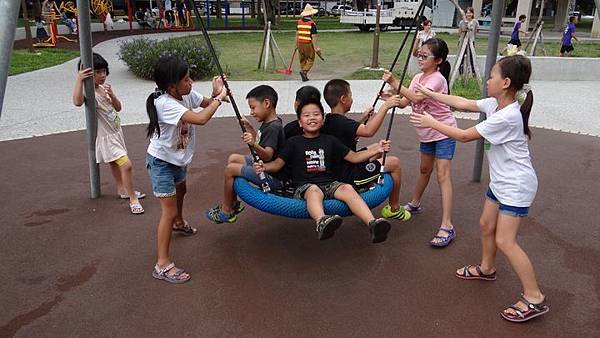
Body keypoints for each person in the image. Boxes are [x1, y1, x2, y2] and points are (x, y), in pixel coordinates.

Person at [410, 54, 549, 323]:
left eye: (492, 76)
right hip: (502, 181)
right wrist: (429, 92)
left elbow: (463, 136)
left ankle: (534, 297)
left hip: (515, 185)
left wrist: (431, 122)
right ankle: (487, 268)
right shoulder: (495, 104)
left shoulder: (507, 116)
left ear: (506, 82)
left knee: (505, 241)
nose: (487, 80)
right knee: (486, 224)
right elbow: (461, 103)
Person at [255, 98, 393, 243]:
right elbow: (277, 164)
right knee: (314, 190)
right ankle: (322, 221)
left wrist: (377, 149)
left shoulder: (330, 140)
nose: (312, 118)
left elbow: (354, 157)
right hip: (305, 186)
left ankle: (372, 223)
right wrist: (264, 167)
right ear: (300, 122)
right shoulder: (293, 142)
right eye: (307, 115)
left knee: (346, 188)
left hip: (330, 183)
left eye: (316, 114)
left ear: (322, 120)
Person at [146, 55, 228, 284]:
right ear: (172, 85)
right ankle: (162, 264)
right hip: (161, 161)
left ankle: (179, 222)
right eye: (186, 79)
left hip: (178, 159)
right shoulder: (165, 104)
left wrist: (216, 92)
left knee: (181, 191)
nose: (190, 82)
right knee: (167, 210)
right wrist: (219, 99)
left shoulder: (184, 94)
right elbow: (201, 118)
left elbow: (206, 104)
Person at [382, 37, 457, 247]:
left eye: (425, 56)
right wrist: (390, 96)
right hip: (427, 134)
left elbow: (417, 99)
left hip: (443, 131)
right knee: (425, 170)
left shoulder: (437, 79)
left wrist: (395, 82)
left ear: (439, 60)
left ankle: (447, 225)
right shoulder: (417, 78)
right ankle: (414, 203)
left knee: (443, 175)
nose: (420, 59)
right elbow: (406, 102)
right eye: (419, 55)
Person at [321, 79, 411, 222]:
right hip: (347, 174)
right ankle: (394, 208)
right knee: (394, 163)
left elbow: (351, 136)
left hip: (340, 166)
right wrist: (385, 106)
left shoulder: (331, 120)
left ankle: (367, 183)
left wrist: (363, 119)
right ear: (343, 99)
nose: (352, 99)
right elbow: (368, 131)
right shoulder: (342, 122)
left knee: (377, 149)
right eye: (350, 95)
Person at [72, 53, 145, 215]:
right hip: (106, 137)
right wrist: (79, 79)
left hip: (116, 131)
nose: (102, 75)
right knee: (126, 165)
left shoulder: (104, 88)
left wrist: (112, 95)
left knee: (114, 163)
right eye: (98, 72)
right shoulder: (89, 92)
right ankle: (133, 199)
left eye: (104, 71)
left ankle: (122, 190)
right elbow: (77, 102)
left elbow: (118, 108)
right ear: (88, 73)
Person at [206, 85, 286, 223]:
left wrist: (253, 144)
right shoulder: (271, 122)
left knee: (230, 169)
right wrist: (250, 128)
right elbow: (263, 142)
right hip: (263, 165)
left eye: (253, 107)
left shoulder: (273, 127)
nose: (251, 112)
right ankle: (234, 203)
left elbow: (267, 155)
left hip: (273, 176)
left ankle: (226, 211)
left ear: (267, 103)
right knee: (233, 158)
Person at [296, 4, 320, 82]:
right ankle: (304, 71)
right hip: (308, 43)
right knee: (311, 59)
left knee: (302, 59)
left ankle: (304, 76)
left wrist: (296, 44)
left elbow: (297, 34)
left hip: (300, 43)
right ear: (311, 14)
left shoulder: (299, 22)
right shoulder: (312, 23)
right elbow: (314, 36)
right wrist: (316, 47)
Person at [457, 7, 479, 75]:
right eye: (467, 13)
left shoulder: (475, 22)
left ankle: (473, 73)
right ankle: (460, 72)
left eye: (470, 12)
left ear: (472, 14)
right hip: (463, 41)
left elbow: (476, 31)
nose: (469, 14)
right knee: (461, 57)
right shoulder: (462, 22)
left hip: (471, 41)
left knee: (472, 57)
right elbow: (460, 31)